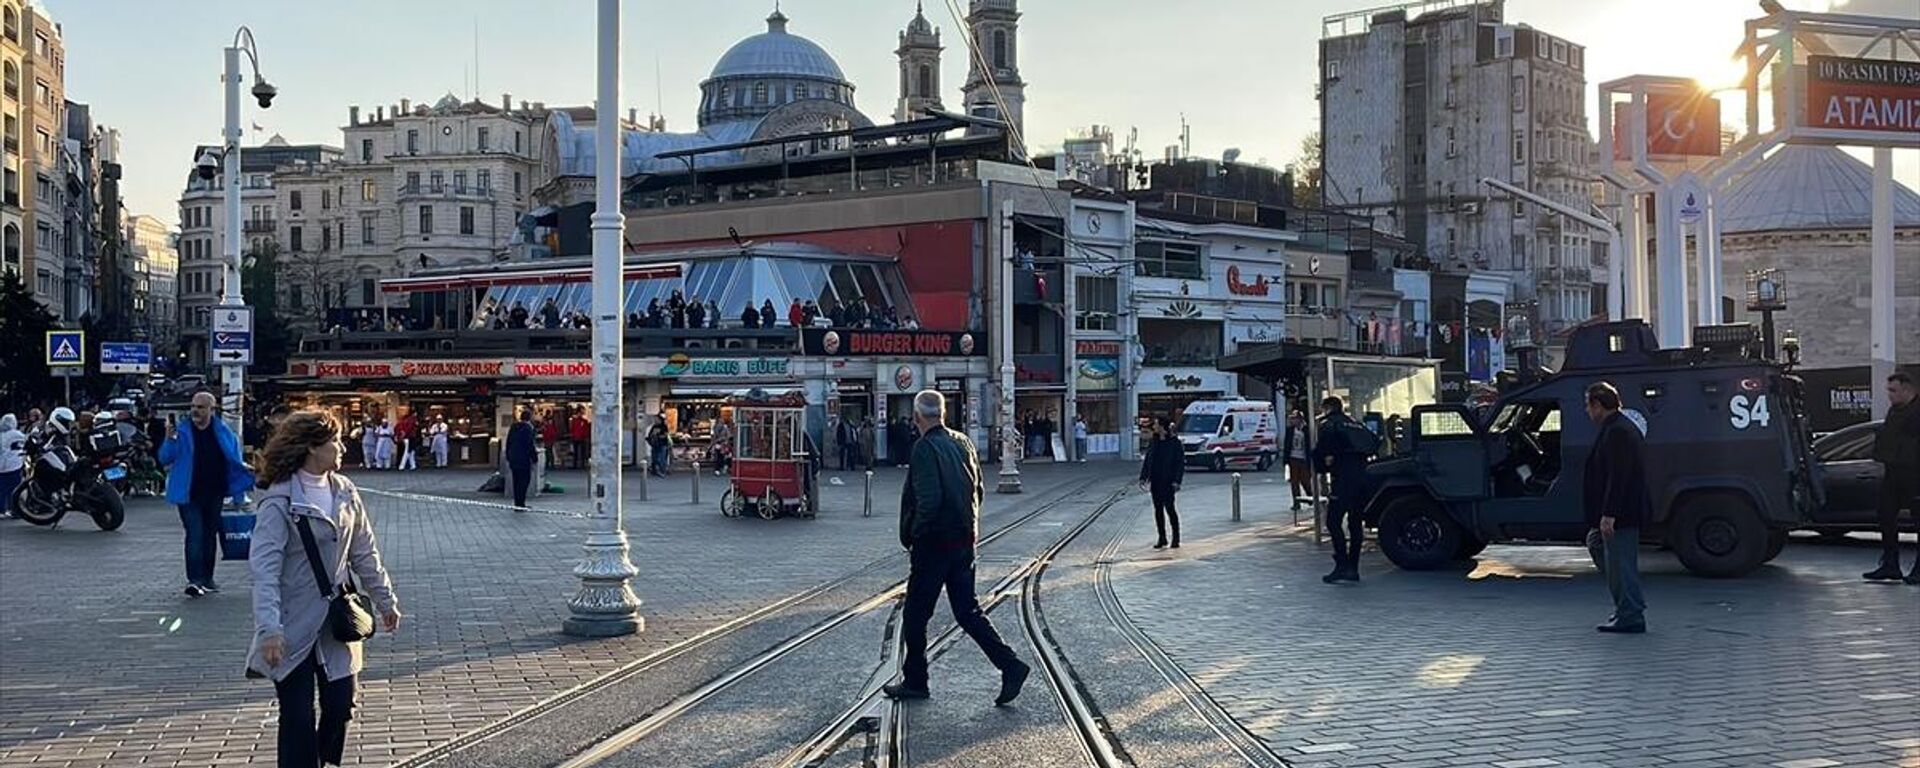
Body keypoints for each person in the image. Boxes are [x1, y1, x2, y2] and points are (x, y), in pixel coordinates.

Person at [245, 410, 401, 767]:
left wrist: (385, 599)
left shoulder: (345, 490)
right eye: (335, 441)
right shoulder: (278, 500)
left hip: (337, 620)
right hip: (291, 623)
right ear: (312, 447)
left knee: (340, 706)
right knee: (297, 716)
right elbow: (265, 569)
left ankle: (323, 761)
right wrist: (269, 629)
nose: (342, 447)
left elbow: (364, 550)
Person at [882, 390, 1030, 704]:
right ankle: (1010, 665)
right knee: (967, 611)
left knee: (915, 615)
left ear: (918, 417)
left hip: (935, 544)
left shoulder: (924, 448)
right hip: (964, 542)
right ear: (943, 414)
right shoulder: (962, 442)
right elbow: (978, 490)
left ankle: (916, 680)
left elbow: (929, 500)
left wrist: (915, 533)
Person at [158, 392, 254, 597]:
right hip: (189, 494)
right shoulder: (181, 432)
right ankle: (194, 580)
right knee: (195, 534)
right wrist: (169, 439)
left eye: (201, 407)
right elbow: (165, 458)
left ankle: (207, 579)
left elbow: (235, 463)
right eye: (193, 406)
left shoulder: (224, 432)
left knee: (210, 535)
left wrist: (239, 497)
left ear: (212, 409)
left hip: (215, 492)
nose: (196, 410)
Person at [1582, 382, 1652, 632]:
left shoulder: (1618, 432)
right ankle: (1627, 605)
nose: (1587, 412)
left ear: (1598, 405)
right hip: (1618, 511)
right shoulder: (1616, 427)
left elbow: (1618, 476)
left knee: (1621, 563)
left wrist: (1609, 514)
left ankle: (1631, 613)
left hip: (1620, 513)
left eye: (1588, 406)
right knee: (1602, 549)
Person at [1312, 396, 1377, 584]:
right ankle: (1353, 568)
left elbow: (1321, 451)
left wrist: (1325, 467)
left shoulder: (1329, 424)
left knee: (1333, 521)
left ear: (1328, 407)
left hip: (1344, 479)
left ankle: (1342, 564)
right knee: (1355, 523)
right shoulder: (1355, 424)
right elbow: (1374, 442)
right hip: (1363, 478)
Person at [1863, 371, 1920, 584]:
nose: (1890, 395)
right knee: (1885, 515)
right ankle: (1890, 564)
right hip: (1894, 471)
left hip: (1914, 473)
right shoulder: (1895, 411)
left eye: (1893, 390)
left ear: (1907, 389)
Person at [1139, 416, 1185, 549]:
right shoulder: (1154, 442)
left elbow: (1179, 463)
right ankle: (1162, 537)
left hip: (1169, 481)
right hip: (1156, 480)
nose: (1154, 427)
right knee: (1158, 509)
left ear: (1163, 427)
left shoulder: (1174, 443)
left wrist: (1177, 481)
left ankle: (1176, 538)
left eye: (1156, 424)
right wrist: (1144, 476)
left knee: (1170, 509)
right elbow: (1148, 460)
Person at [505, 410, 538, 509]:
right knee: (524, 481)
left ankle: (517, 502)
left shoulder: (513, 427)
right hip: (524, 459)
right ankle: (521, 502)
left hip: (514, 458)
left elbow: (508, 442)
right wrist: (534, 457)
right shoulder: (528, 428)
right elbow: (529, 444)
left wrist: (508, 455)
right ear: (529, 418)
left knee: (516, 481)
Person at [1282, 411, 1312, 511]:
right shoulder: (1290, 430)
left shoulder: (1306, 430)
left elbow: (1309, 444)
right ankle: (1296, 502)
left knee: (1305, 480)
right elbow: (1287, 445)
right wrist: (1285, 460)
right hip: (1293, 458)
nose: (1293, 421)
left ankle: (1310, 497)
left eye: (1295, 418)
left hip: (1303, 458)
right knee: (1294, 482)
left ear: (1300, 419)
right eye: (1292, 419)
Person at [0, 414, 24, 518]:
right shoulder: (19, 434)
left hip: (3, 466)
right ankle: (15, 510)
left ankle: (1, 510)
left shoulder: (2, 436)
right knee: (15, 489)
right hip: (16, 464)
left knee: (2, 490)